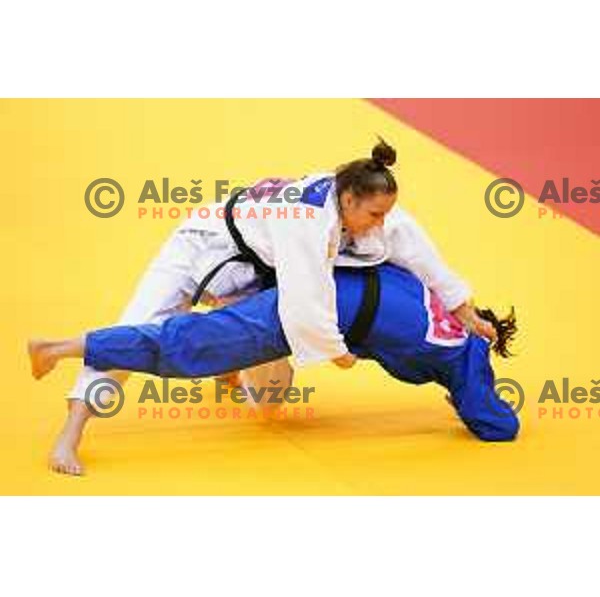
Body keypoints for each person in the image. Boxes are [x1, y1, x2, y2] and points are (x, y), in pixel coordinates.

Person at [46, 139, 495, 474]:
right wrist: (338, 352)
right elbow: (306, 302)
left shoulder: (372, 205)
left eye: (384, 215)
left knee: (268, 401)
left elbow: (425, 259)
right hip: (204, 247)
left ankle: (227, 369)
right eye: (374, 215)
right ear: (348, 199)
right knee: (141, 326)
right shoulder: (306, 220)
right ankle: (69, 436)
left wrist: (468, 315)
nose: (380, 224)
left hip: (256, 271)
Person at [29, 264, 519, 474]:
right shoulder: (467, 356)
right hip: (305, 313)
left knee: (220, 348)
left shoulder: (429, 293)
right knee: (186, 349)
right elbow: (499, 428)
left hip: (310, 284)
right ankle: (59, 347)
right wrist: (469, 391)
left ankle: (225, 332)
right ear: (485, 335)